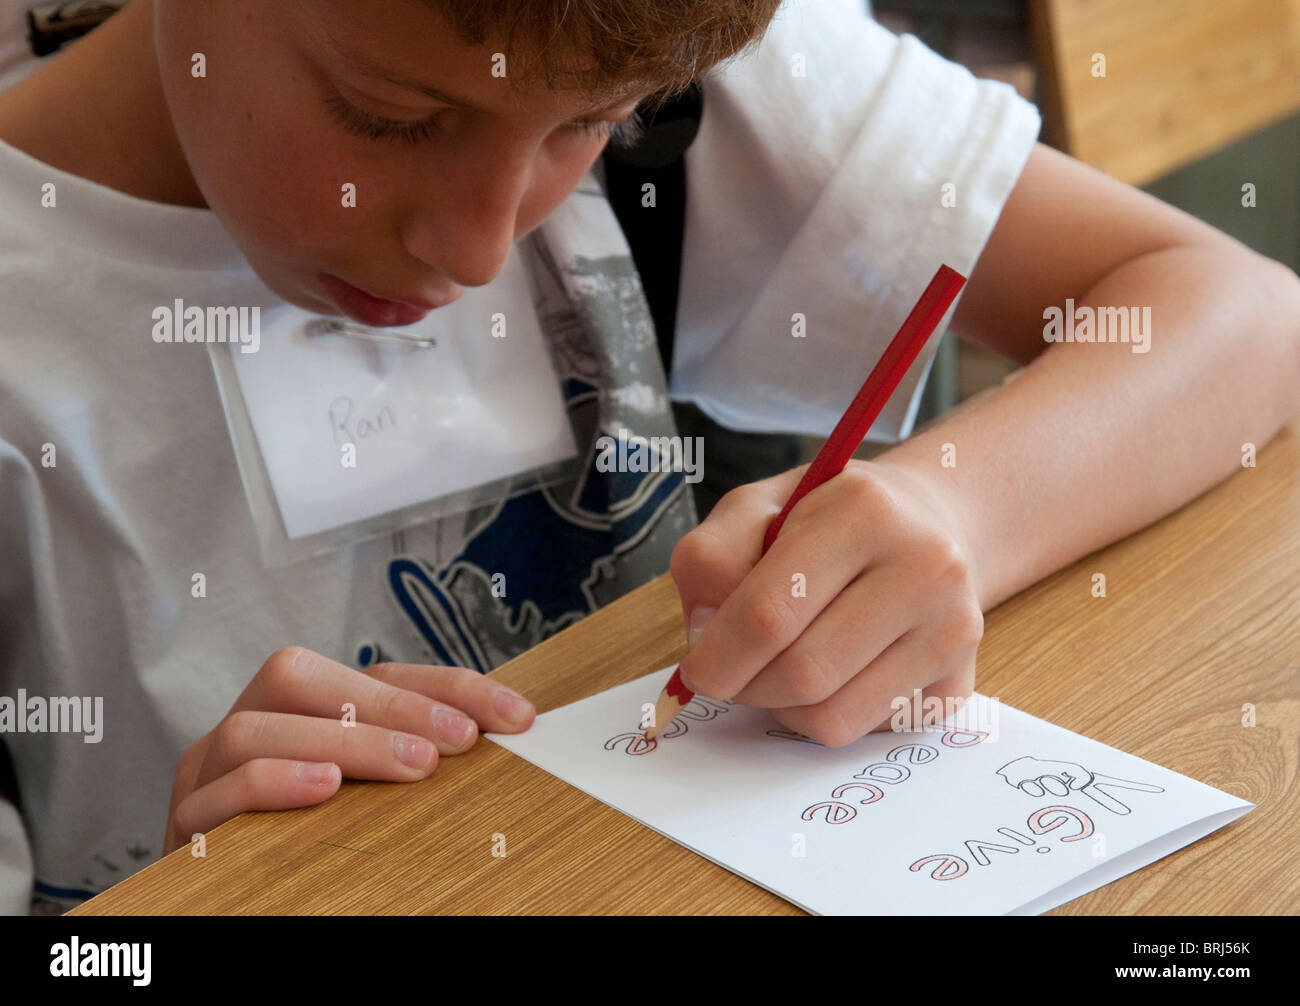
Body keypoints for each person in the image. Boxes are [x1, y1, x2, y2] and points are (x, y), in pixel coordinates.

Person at [0, 0, 1296, 915]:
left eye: (589, 130)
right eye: (388, 116)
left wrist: (952, 507)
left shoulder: (659, 49)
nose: (472, 245)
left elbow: (1243, 314)